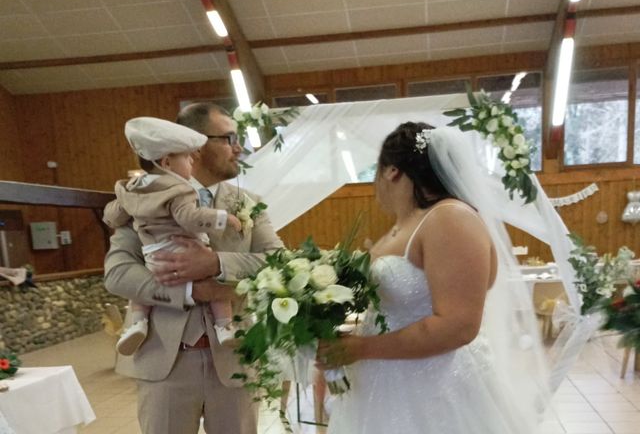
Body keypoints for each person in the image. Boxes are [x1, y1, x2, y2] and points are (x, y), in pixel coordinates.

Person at [317, 122, 549, 434]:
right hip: (385, 383)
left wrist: (362, 348)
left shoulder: (450, 217)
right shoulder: (405, 224)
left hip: (435, 388)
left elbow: (458, 326)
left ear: (391, 171)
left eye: (376, 171)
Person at [104, 103, 284, 434]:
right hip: (164, 363)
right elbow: (117, 272)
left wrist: (215, 262)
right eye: (229, 137)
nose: (238, 147)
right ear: (196, 148)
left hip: (235, 361)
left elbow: (278, 261)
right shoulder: (142, 197)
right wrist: (186, 291)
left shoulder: (247, 204)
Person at [103, 117, 243, 355]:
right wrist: (223, 219)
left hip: (154, 258)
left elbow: (111, 216)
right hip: (182, 250)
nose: (192, 160)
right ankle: (225, 327)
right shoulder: (180, 189)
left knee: (141, 293)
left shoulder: (133, 190)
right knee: (218, 287)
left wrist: (120, 212)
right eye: (188, 157)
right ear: (167, 162)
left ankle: (137, 323)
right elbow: (189, 217)